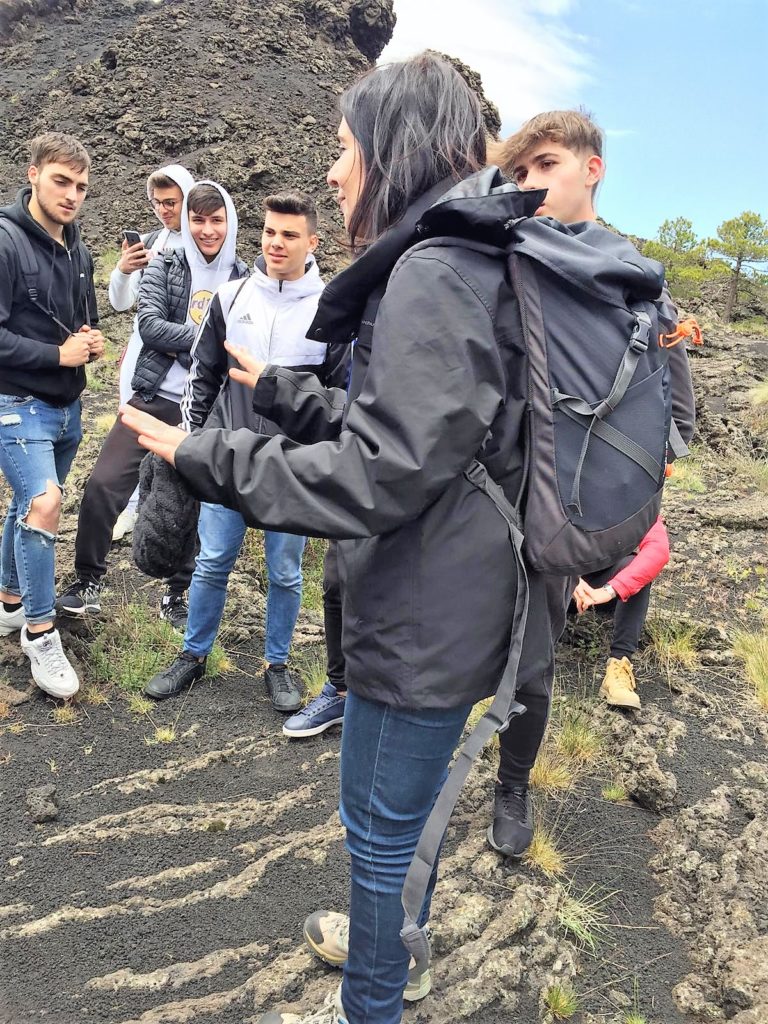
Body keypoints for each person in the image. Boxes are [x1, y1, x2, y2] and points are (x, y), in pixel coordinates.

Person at [120, 53, 571, 1024]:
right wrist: (273, 391)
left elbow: (381, 472)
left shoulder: (436, 269)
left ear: (391, 149)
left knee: (378, 834)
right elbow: (412, 426)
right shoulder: (478, 254)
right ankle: (389, 957)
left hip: (422, 620)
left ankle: (372, 1000)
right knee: (406, 830)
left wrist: (210, 459)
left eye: (343, 149)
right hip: (460, 599)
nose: (334, 172)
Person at [484, 109, 696, 860]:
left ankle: (512, 784)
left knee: (533, 662)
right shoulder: (508, 248)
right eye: (520, 173)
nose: (532, 184)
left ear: (592, 167)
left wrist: (629, 485)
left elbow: (675, 396)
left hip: (566, 500)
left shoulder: (634, 276)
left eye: (546, 165)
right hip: (487, 482)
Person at [143, 191, 341, 708]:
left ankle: (277, 663)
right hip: (227, 453)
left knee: (285, 570)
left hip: (291, 464)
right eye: (270, 232)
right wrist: (192, 443)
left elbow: (337, 394)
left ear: (312, 242)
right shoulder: (231, 298)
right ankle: (193, 654)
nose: (276, 243)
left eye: (290, 235)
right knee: (212, 561)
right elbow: (202, 376)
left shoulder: (329, 310)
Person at [57, 181, 247, 629]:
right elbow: (151, 325)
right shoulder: (167, 262)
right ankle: (88, 582)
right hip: (153, 396)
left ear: (229, 223)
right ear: (187, 222)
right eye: (196, 220)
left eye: (215, 220)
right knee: (104, 483)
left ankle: (176, 594)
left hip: (204, 411)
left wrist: (210, 348)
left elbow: (240, 342)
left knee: (191, 503)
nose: (206, 229)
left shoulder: (242, 277)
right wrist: (210, 343)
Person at [0, 132, 103, 698]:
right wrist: (54, 355)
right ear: (34, 173)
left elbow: (78, 323)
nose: (71, 195)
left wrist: (89, 343)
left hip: (68, 408)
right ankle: (40, 634)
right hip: (16, 404)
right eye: (61, 181)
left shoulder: (79, 250)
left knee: (27, 506)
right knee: (45, 504)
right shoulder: (6, 242)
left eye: (81, 186)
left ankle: (9, 601)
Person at [109, 164, 195, 541]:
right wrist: (124, 271)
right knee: (130, 433)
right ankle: (128, 509)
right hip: (141, 357)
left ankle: (163, 511)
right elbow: (120, 303)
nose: (164, 210)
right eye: (157, 203)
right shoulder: (150, 242)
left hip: (180, 361)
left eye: (171, 202)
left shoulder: (205, 244)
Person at [572, 516, 670, 709]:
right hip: (553, 577)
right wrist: (568, 578)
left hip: (602, 590)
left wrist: (611, 589)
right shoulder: (558, 488)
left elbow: (657, 549)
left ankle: (619, 664)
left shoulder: (633, 496)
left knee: (634, 566)